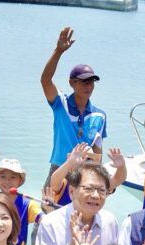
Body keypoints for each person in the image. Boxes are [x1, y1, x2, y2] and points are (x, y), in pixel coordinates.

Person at [41, 27, 107, 182]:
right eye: (84, 81)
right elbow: (45, 80)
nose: (88, 86)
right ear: (72, 83)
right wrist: (58, 51)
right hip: (59, 169)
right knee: (50, 206)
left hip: (84, 174)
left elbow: (98, 150)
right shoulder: (60, 104)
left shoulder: (100, 116)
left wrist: (99, 177)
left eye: (91, 82)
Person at [47, 143, 126, 207]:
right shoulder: (66, 184)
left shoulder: (99, 184)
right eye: (80, 159)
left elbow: (118, 180)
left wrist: (121, 167)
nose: (85, 163)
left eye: (89, 160)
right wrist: (69, 162)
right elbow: (54, 182)